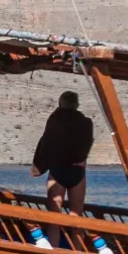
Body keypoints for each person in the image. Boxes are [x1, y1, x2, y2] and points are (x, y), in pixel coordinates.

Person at [30, 92, 96, 243]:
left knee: (55, 219)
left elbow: (46, 143)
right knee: (76, 219)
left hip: (58, 169)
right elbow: (86, 146)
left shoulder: (55, 120)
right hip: (77, 170)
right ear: (76, 105)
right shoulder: (85, 123)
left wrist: (39, 166)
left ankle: (55, 252)